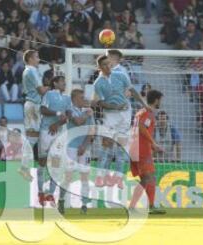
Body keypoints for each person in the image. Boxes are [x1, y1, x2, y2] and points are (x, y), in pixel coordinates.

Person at [93, 54, 149, 189]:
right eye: (105, 65)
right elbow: (99, 103)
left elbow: (132, 91)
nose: (108, 66)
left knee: (121, 148)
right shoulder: (98, 83)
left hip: (124, 114)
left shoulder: (120, 75)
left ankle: (118, 178)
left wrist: (144, 104)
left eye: (109, 63)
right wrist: (114, 107)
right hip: (110, 116)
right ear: (99, 67)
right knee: (106, 145)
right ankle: (100, 177)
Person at [58, 89, 94, 215]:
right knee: (68, 176)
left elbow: (91, 131)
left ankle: (84, 204)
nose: (84, 100)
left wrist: (84, 145)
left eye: (84, 97)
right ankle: (61, 199)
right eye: (81, 98)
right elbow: (78, 121)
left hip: (85, 148)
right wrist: (87, 114)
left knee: (85, 177)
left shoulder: (89, 111)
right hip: (71, 147)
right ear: (74, 99)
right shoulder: (69, 110)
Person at [129, 90, 166, 214]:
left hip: (135, 148)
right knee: (148, 177)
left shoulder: (140, 111)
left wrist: (152, 145)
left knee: (147, 178)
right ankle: (144, 206)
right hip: (142, 149)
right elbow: (141, 126)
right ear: (156, 100)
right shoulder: (148, 113)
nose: (161, 102)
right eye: (160, 100)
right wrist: (153, 143)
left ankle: (141, 206)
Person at [37, 76, 71, 207]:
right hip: (46, 131)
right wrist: (57, 113)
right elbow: (43, 110)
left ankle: (50, 194)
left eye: (65, 82)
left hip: (59, 132)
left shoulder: (67, 98)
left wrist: (57, 124)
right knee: (43, 161)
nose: (64, 83)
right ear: (55, 83)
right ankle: (40, 191)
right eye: (62, 81)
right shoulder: (49, 94)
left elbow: (68, 115)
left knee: (56, 163)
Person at [19, 50, 49, 181]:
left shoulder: (29, 71)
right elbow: (41, 90)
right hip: (33, 106)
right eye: (37, 57)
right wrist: (52, 87)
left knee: (38, 137)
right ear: (30, 59)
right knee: (32, 138)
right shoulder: (31, 71)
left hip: (34, 106)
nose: (39, 59)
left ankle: (32, 167)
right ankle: (24, 167)